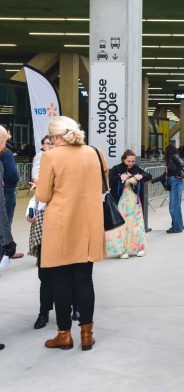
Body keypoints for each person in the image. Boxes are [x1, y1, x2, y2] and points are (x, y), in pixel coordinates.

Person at [37, 116, 107, 351]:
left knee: (60, 282)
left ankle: (64, 335)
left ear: (56, 136)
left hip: (61, 225)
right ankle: (87, 335)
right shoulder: (94, 153)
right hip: (88, 224)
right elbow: (101, 186)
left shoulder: (50, 157)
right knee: (85, 280)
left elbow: (44, 196)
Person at [27, 135, 56, 328]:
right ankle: (44, 311)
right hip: (44, 217)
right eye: (48, 143)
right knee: (44, 272)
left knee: (68, 270)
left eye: (54, 142)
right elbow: (39, 187)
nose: (52, 145)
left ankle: (75, 306)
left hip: (65, 220)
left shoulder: (68, 158)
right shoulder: (42, 158)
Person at [106, 150, 152, 259]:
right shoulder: (116, 168)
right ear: (123, 159)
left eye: (133, 161)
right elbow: (108, 180)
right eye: (128, 161)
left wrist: (141, 176)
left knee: (136, 224)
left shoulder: (136, 168)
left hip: (134, 202)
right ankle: (121, 250)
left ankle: (139, 248)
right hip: (120, 202)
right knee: (121, 226)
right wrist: (120, 178)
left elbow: (148, 175)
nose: (131, 163)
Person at [151, 144, 184, 233]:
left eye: (166, 151)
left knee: (173, 207)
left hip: (176, 183)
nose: (165, 152)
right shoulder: (171, 160)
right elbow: (165, 175)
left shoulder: (173, 156)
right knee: (176, 206)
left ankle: (177, 228)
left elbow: (181, 164)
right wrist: (153, 180)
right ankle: (179, 225)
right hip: (176, 183)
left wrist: (176, 174)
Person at [0, 125, 19, 226]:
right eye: (8, 133)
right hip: (7, 191)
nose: (10, 135)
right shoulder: (6, 153)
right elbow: (12, 173)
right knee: (5, 223)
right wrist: (17, 178)